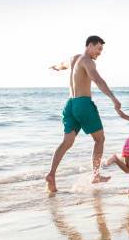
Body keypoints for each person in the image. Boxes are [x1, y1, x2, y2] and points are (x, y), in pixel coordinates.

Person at [45, 35, 121, 192]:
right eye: (98, 48)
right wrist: (113, 98)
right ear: (90, 45)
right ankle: (95, 175)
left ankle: (51, 174)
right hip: (83, 104)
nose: (99, 53)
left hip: (70, 105)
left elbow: (61, 65)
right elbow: (98, 80)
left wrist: (54, 67)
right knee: (100, 139)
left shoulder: (74, 59)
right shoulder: (88, 61)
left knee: (67, 142)